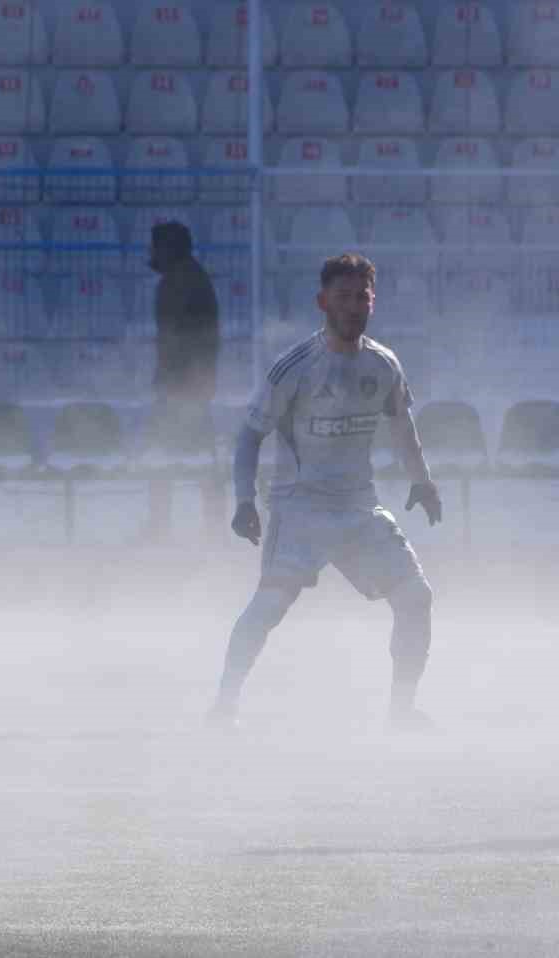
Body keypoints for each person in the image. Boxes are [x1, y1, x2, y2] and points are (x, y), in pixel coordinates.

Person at [210, 253, 442, 728]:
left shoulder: (384, 364)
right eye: (344, 297)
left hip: (360, 509)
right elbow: (250, 435)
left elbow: (403, 429)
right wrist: (244, 502)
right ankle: (224, 705)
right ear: (323, 302)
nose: (354, 307)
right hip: (301, 511)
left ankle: (400, 712)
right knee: (268, 608)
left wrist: (422, 481)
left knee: (417, 598)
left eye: (363, 297)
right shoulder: (295, 367)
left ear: (373, 302)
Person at [146, 221, 222, 538]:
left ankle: (163, 526)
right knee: (194, 457)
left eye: (156, 246)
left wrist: (173, 381)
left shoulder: (181, 282)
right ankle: (211, 526)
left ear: (170, 248)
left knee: (166, 455)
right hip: (190, 383)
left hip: (183, 385)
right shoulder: (188, 277)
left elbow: (180, 340)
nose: (151, 253)